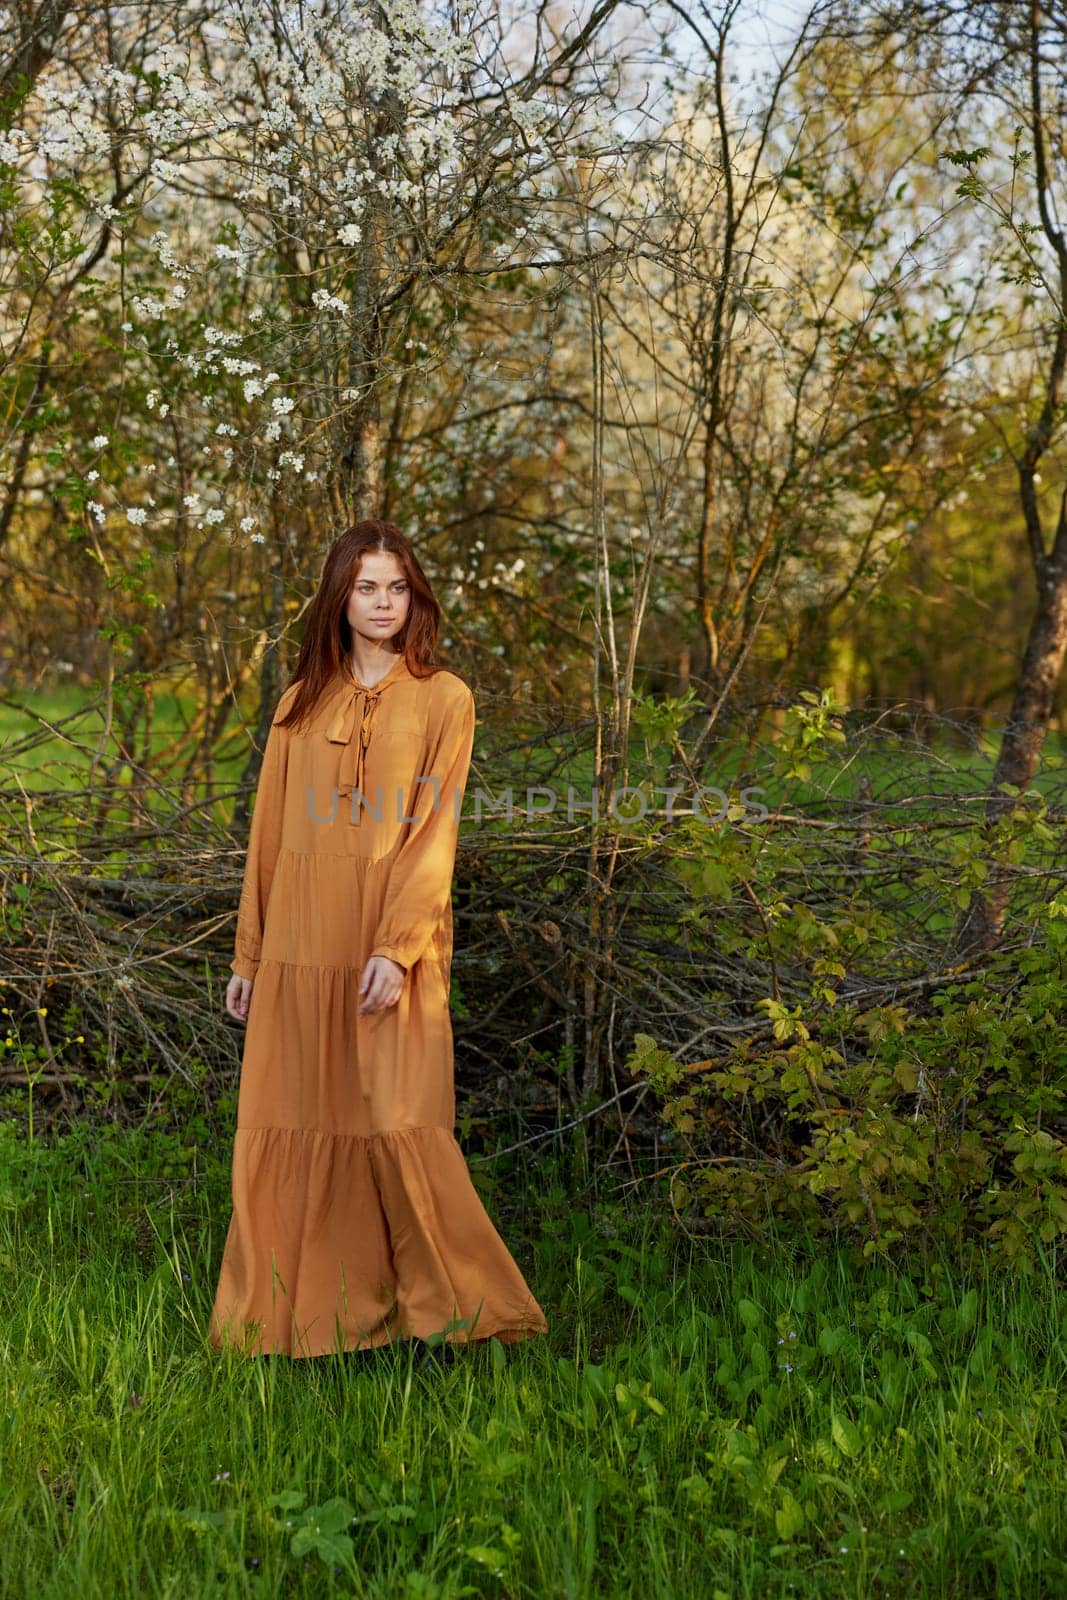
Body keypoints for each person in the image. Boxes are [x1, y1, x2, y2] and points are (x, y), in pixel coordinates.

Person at [208, 520, 548, 1365]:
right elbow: (267, 837)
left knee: (397, 1115)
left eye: (397, 588)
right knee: (297, 1114)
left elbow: (435, 833)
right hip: (297, 938)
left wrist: (397, 949)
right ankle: (296, 1324)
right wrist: (250, 956)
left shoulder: (444, 699)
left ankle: (458, 1312)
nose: (383, 603)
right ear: (339, 597)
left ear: (415, 597)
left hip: (391, 940)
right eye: (367, 588)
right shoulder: (298, 702)